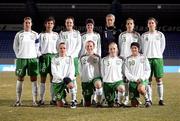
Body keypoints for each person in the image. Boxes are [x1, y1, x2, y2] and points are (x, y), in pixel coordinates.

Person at [13, 17, 39, 106]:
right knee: (20, 79)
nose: (27, 24)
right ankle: (18, 101)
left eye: (29, 22)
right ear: (23, 24)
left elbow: (37, 46)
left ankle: (35, 101)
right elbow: (15, 46)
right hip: (21, 59)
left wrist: (35, 55)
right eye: (26, 23)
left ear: (31, 24)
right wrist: (19, 55)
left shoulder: (35, 34)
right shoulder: (19, 34)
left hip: (32, 59)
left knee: (34, 79)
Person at [141, 17, 166, 105]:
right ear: (147, 25)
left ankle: (161, 99)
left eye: (152, 23)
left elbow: (163, 46)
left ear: (155, 24)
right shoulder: (144, 35)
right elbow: (142, 47)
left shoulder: (160, 35)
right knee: (148, 80)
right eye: (149, 23)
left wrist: (158, 54)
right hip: (147, 59)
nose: (151, 24)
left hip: (158, 58)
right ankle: (150, 99)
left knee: (159, 79)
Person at [58, 16, 81, 105]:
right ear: (65, 23)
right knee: (64, 78)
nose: (69, 24)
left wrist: (72, 55)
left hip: (73, 58)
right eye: (67, 22)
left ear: (73, 24)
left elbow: (78, 46)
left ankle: (74, 98)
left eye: (70, 22)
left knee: (74, 79)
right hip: (64, 59)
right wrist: (65, 55)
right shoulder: (62, 33)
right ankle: (63, 98)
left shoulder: (77, 33)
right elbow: (60, 45)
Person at [118, 18, 141, 106]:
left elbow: (139, 48)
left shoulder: (137, 35)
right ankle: (126, 98)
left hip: (133, 60)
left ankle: (136, 98)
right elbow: (120, 47)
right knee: (125, 80)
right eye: (128, 23)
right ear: (126, 25)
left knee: (134, 79)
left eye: (131, 23)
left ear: (133, 25)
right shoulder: (122, 35)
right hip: (124, 59)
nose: (129, 25)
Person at [38, 17, 59, 105]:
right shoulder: (41, 35)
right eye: (48, 23)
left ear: (53, 25)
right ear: (45, 24)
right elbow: (37, 47)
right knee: (43, 79)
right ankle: (41, 99)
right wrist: (40, 55)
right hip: (44, 57)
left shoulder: (56, 35)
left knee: (52, 79)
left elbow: (59, 47)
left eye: (51, 23)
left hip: (53, 57)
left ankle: (53, 99)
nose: (49, 25)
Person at [124, 42, 151, 107]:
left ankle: (147, 100)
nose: (134, 49)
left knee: (140, 89)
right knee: (134, 105)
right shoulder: (128, 59)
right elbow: (126, 72)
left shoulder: (144, 58)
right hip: (133, 81)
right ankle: (137, 100)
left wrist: (142, 78)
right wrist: (135, 79)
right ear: (130, 49)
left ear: (138, 49)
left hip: (142, 80)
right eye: (132, 48)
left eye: (135, 48)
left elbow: (148, 70)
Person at [51, 42, 76, 108]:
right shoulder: (54, 59)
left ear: (66, 49)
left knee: (71, 84)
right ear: (58, 49)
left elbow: (72, 70)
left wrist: (68, 79)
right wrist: (63, 79)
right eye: (61, 48)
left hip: (67, 80)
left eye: (64, 48)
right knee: (60, 105)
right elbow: (54, 73)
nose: (62, 50)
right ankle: (63, 96)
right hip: (58, 82)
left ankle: (73, 101)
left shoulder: (70, 58)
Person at [79, 40, 103, 107]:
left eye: (91, 46)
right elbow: (80, 69)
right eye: (88, 46)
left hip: (96, 77)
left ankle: (98, 102)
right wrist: (82, 78)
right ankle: (86, 99)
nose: (89, 47)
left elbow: (101, 68)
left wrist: (101, 78)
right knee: (87, 104)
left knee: (98, 85)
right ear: (85, 47)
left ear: (94, 47)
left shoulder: (98, 57)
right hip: (86, 80)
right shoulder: (82, 57)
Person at [101, 42, 125, 107]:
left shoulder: (121, 60)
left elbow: (123, 71)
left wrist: (123, 79)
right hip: (107, 82)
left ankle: (119, 101)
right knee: (110, 104)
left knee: (122, 89)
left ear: (117, 49)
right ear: (108, 50)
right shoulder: (104, 60)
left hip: (118, 81)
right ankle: (108, 99)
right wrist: (104, 81)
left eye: (114, 48)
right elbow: (102, 72)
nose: (112, 50)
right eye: (111, 49)